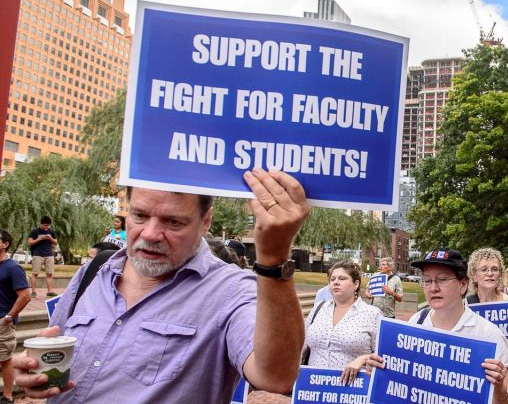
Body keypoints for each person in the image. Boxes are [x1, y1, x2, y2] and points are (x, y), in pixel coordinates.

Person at [12, 168, 308, 402]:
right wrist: (35, 375)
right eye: (139, 215)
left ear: (205, 221)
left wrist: (273, 260)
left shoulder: (232, 290)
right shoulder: (95, 270)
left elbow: (275, 377)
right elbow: (56, 355)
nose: (151, 233)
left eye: (173, 222)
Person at [367, 248, 508, 404]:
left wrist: (499, 387)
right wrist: (380, 372)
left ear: (463, 285)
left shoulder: (489, 335)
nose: (433, 288)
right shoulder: (417, 321)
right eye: (428, 280)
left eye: (442, 280)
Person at [304, 261, 381, 384]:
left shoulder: (372, 314)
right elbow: (302, 344)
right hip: (314, 388)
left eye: (342, 278)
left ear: (356, 284)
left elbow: (384, 355)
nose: (336, 282)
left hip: (351, 390)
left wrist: (363, 359)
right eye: (332, 279)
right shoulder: (318, 309)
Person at [0, 230, 32, 404]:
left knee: (5, 359)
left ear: (5, 244)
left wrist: (8, 317)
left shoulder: (13, 268)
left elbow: (25, 295)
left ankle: (8, 396)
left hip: (2, 321)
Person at [28, 216, 58, 298]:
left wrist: (50, 238)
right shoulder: (35, 231)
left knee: (49, 274)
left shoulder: (51, 231)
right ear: (40, 224)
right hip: (37, 255)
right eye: (45, 225)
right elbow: (30, 242)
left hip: (49, 255)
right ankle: (33, 292)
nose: (46, 227)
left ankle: (50, 291)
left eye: (48, 225)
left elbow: (55, 242)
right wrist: (39, 238)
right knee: (35, 274)